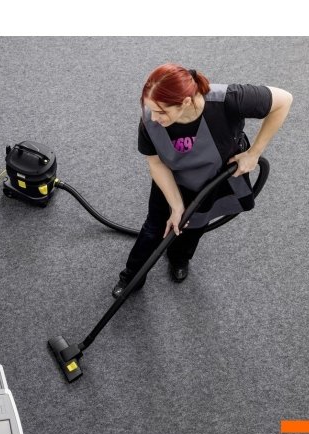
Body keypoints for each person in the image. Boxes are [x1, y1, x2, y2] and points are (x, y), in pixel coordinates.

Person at [112, 63, 292, 298]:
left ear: (186, 102)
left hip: (212, 179)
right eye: (151, 109)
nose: (154, 117)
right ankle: (131, 277)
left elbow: (284, 100)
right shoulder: (150, 119)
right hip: (171, 178)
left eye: (162, 112)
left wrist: (254, 153)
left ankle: (179, 258)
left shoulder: (228, 100)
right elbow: (155, 163)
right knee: (153, 228)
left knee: (195, 225)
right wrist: (176, 205)